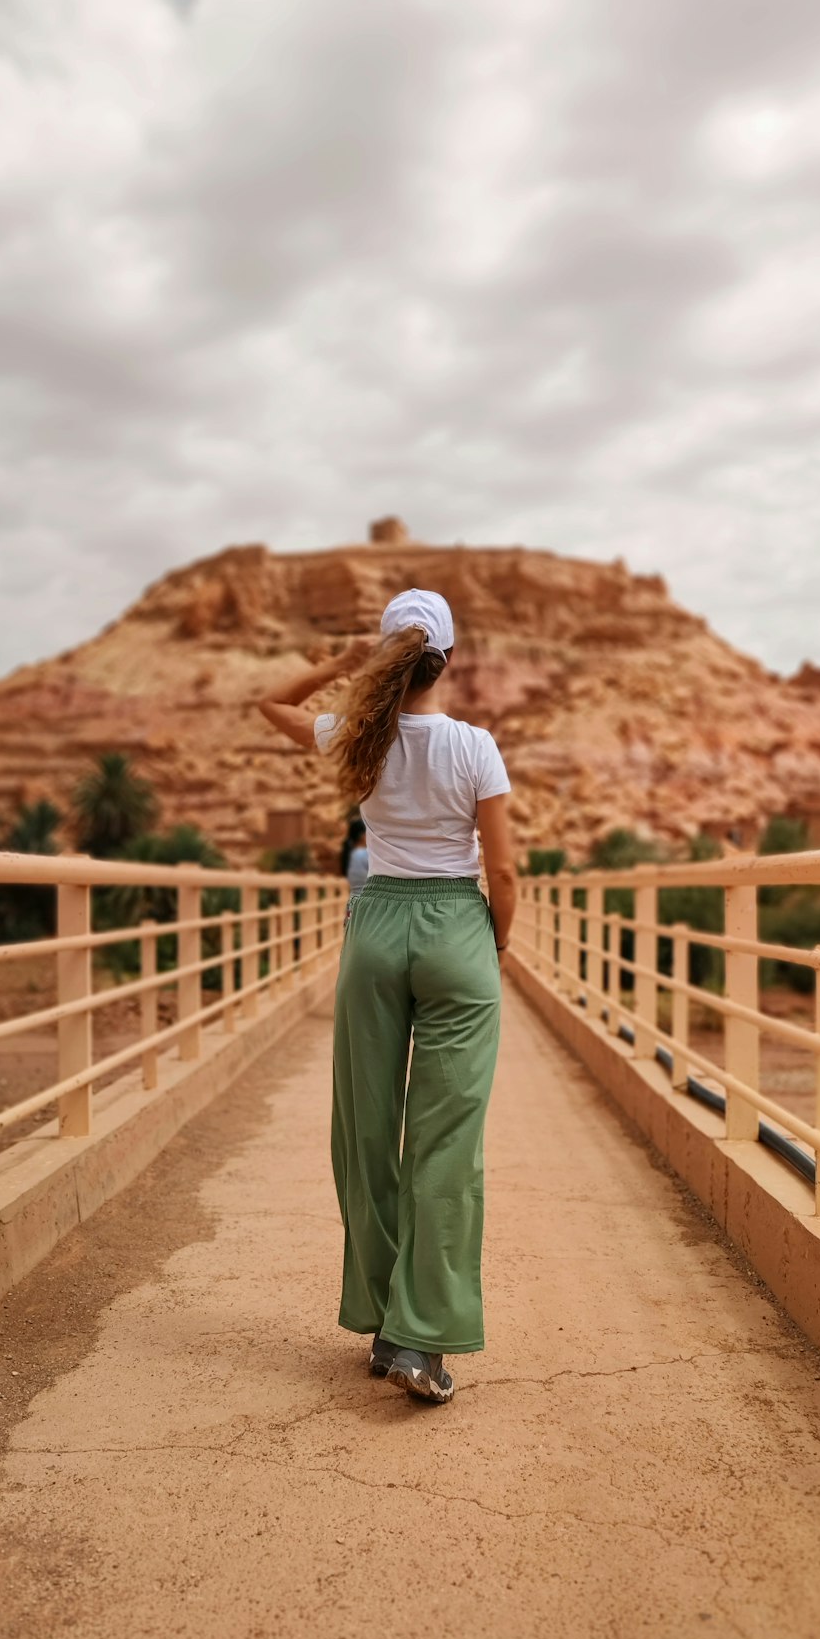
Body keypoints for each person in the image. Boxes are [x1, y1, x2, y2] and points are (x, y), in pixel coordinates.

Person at [256, 588, 516, 1404]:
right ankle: (423, 1341)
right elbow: (503, 870)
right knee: (445, 1141)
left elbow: (266, 704)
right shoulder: (475, 746)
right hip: (456, 931)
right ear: (449, 659)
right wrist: (494, 940)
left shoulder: (354, 734)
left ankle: (379, 1323)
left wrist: (338, 666)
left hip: (376, 932)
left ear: (389, 657)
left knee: (367, 1130)